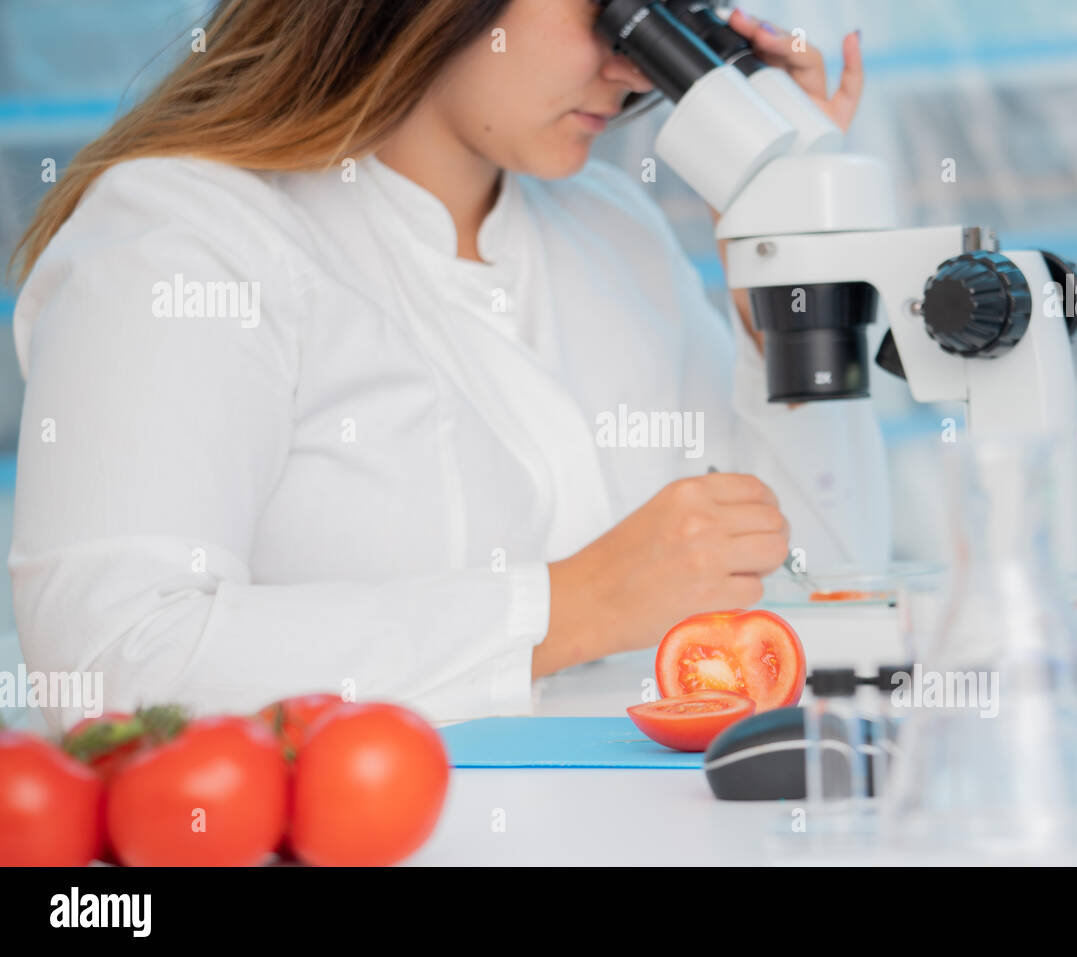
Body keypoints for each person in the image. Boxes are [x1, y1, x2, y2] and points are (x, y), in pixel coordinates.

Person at [7, 0, 887, 731]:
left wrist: (788, 282)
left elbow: (827, 586)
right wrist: (564, 609)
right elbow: (112, 661)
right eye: (611, 11)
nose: (629, 71)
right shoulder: (186, 241)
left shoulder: (613, 229)